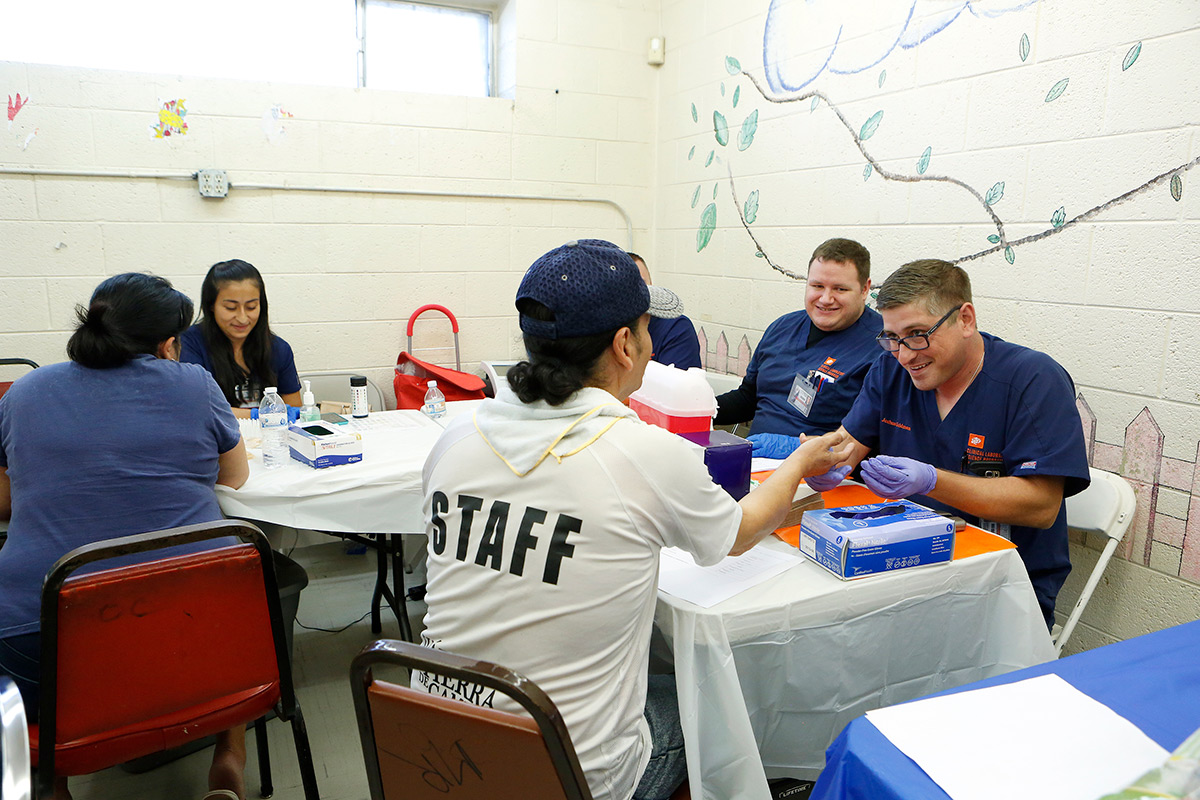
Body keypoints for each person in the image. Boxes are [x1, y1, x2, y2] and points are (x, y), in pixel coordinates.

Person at [416, 239, 848, 800]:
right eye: (647, 329)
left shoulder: (456, 438)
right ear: (625, 343)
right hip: (565, 775)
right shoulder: (641, 453)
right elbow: (739, 534)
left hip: (435, 745)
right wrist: (800, 461)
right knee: (720, 708)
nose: (652, 346)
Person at [0, 273, 250, 800]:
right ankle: (228, 761)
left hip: (42, 633)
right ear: (167, 345)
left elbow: (3, 501)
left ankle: (52, 783)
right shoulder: (194, 383)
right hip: (195, 628)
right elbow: (234, 476)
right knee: (240, 614)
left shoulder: (24, 393)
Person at [814, 258, 1090, 627]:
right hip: (901, 566)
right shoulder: (890, 370)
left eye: (917, 333)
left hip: (997, 583)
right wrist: (824, 462)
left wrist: (933, 481)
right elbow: (848, 446)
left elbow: (1041, 506)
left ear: (965, 319)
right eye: (892, 338)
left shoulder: (1032, 380)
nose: (906, 354)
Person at [714, 238, 882, 456]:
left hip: (823, 472)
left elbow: (871, 437)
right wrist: (701, 408)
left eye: (840, 289)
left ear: (864, 289)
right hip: (755, 461)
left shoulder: (883, 346)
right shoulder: (782, 327)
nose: (826, 298)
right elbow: (748, 398)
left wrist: (798, 448)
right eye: (817, 286)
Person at [181, 259, 301, 419]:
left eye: (251, 307)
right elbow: (197, 409)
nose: (242, 318)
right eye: (231, 308)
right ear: (211, 305)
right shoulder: (188, 345)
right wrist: (258, 415)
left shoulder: (278, 349)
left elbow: (294, 409)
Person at [627, 252, 702, 369]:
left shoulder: (675, 328)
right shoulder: (603, 328)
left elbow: (679, 384)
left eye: (642, 283)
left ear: (651, 285)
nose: (636, 292)